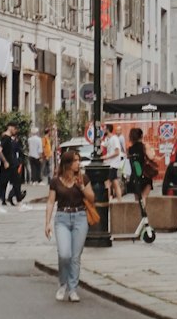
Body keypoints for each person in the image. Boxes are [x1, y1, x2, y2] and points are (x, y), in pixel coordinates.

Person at [45, 148, 94, 302]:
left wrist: (81, 187)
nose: (78, 163)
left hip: (80, 217)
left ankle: (73, 289)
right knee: (64, 254)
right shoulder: (55, 181)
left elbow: (92, 198)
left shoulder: (83, 178)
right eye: (75, 160)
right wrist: (47, 223)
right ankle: (62, 283)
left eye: (79, 160)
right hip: (62, 218)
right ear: (67, 163)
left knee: (75, 256)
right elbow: (51, 201)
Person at [126, 126, 157, 220]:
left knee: (137, 198)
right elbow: (151, 157)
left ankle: (138, 217)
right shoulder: (144, 146)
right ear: (141, 136)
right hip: (145, 176)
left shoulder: (130, 149)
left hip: (135, 176)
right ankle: (144, 216)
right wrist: (152, 150)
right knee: (144, 197)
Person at [0, 124, 25, 210]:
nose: (15, 131)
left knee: (16, 182)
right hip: (7, 165)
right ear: (10, 127)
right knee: (2, 184)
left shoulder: (8, 138)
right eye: (15, 129)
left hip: (11, 165)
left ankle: (19, 202)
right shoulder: (6, 138)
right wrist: (5, 162)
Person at [102, 124, 124, 200]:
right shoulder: (108, 139)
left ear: (108, 129)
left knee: (107, 183)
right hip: (110, 164)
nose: (103, 130)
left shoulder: (114, 139)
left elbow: (117, 152)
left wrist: (106, 157)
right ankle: (120, 202)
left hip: (112, 164)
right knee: (115, 183)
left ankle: (106, 202)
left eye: (104, 129)